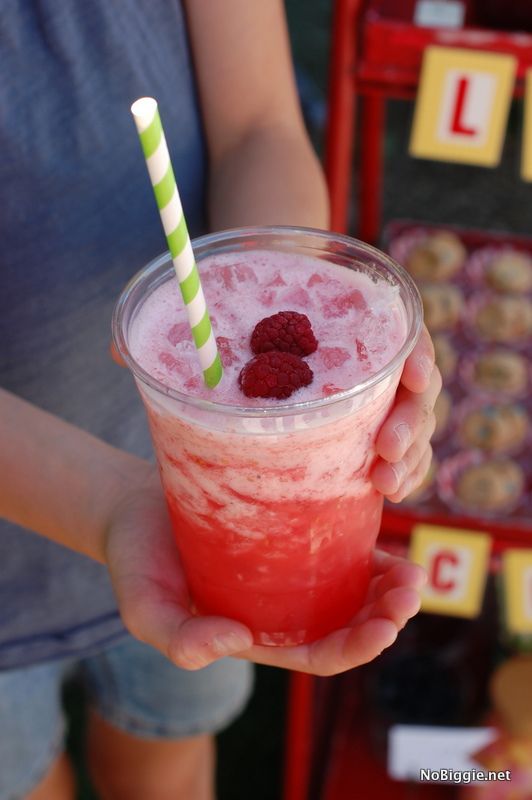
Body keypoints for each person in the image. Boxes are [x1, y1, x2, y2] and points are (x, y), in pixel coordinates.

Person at [0, 2, 439, 798]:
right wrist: (101, 503)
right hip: (19, 569)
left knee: (169, 750)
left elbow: (259, 126)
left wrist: (303, 288)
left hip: (196, 534)